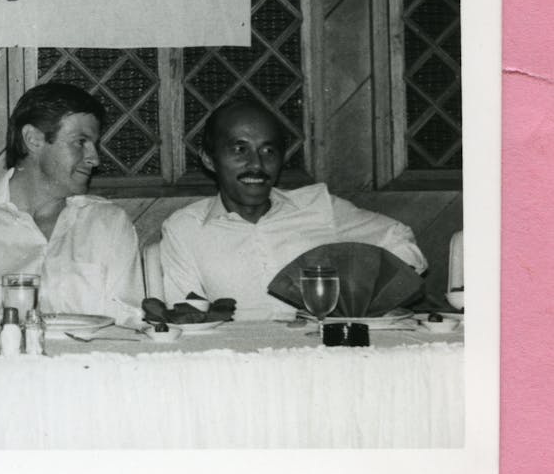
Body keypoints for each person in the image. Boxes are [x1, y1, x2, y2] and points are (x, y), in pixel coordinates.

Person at [158, 99, 427, 320]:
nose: (257, 164)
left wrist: (367, 295)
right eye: (240, 149)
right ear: (209, 159)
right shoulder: (185, 228)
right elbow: (188, 317)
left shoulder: (318, 207)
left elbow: (398, 237)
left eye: (268, 151)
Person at [0, 82, 143, 325]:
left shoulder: (109, 222)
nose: (94, 158)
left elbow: (128, 324)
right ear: (34, 139)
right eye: (80, 142)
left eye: (94, 144)